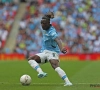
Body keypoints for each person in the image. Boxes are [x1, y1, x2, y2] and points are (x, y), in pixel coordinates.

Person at [28, 12, 72, 86]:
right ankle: (41, 72)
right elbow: (45, 18)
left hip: (52, 52)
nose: (42, 25)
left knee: (55, 66)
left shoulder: (51, 31)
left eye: (44, 23)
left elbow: (57, 39)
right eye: (41, 23)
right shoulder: (45, 26)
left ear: (48, 23)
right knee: (31, 59)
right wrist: (48, 15)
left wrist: (61, 48)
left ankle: (67, 82)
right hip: (45, 52)